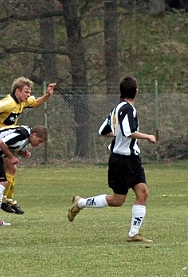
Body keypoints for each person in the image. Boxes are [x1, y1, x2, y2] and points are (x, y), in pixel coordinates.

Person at [67, 75, 157, 243]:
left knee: (142, 193)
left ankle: (133, 234)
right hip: (121, 161)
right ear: (136, 92)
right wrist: (148, 136)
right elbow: (129, 132)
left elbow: (103, 130)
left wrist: (118, 136)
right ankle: (81, 203)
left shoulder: (116, 109)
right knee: (117, 200)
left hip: (133, 159)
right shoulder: (128, 109)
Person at [0, 78, 57, 214]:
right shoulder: (8, 102)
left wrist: (48, 95)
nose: (28, 95)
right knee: (9, 169)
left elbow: (36, 103)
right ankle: (2, 203)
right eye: (26, 92)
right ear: (17, 91)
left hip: (5, 140)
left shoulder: (21, 102)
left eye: (29, 92)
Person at [0, 125, 48, 226]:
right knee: (2, 182)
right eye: (39, 141)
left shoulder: (25, 136)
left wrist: (21, 153)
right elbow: (2, 143)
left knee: (1, 183)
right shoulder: (23, 133)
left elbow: (9, 144)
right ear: (34, 135)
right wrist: (11, 157)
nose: (39, 144)